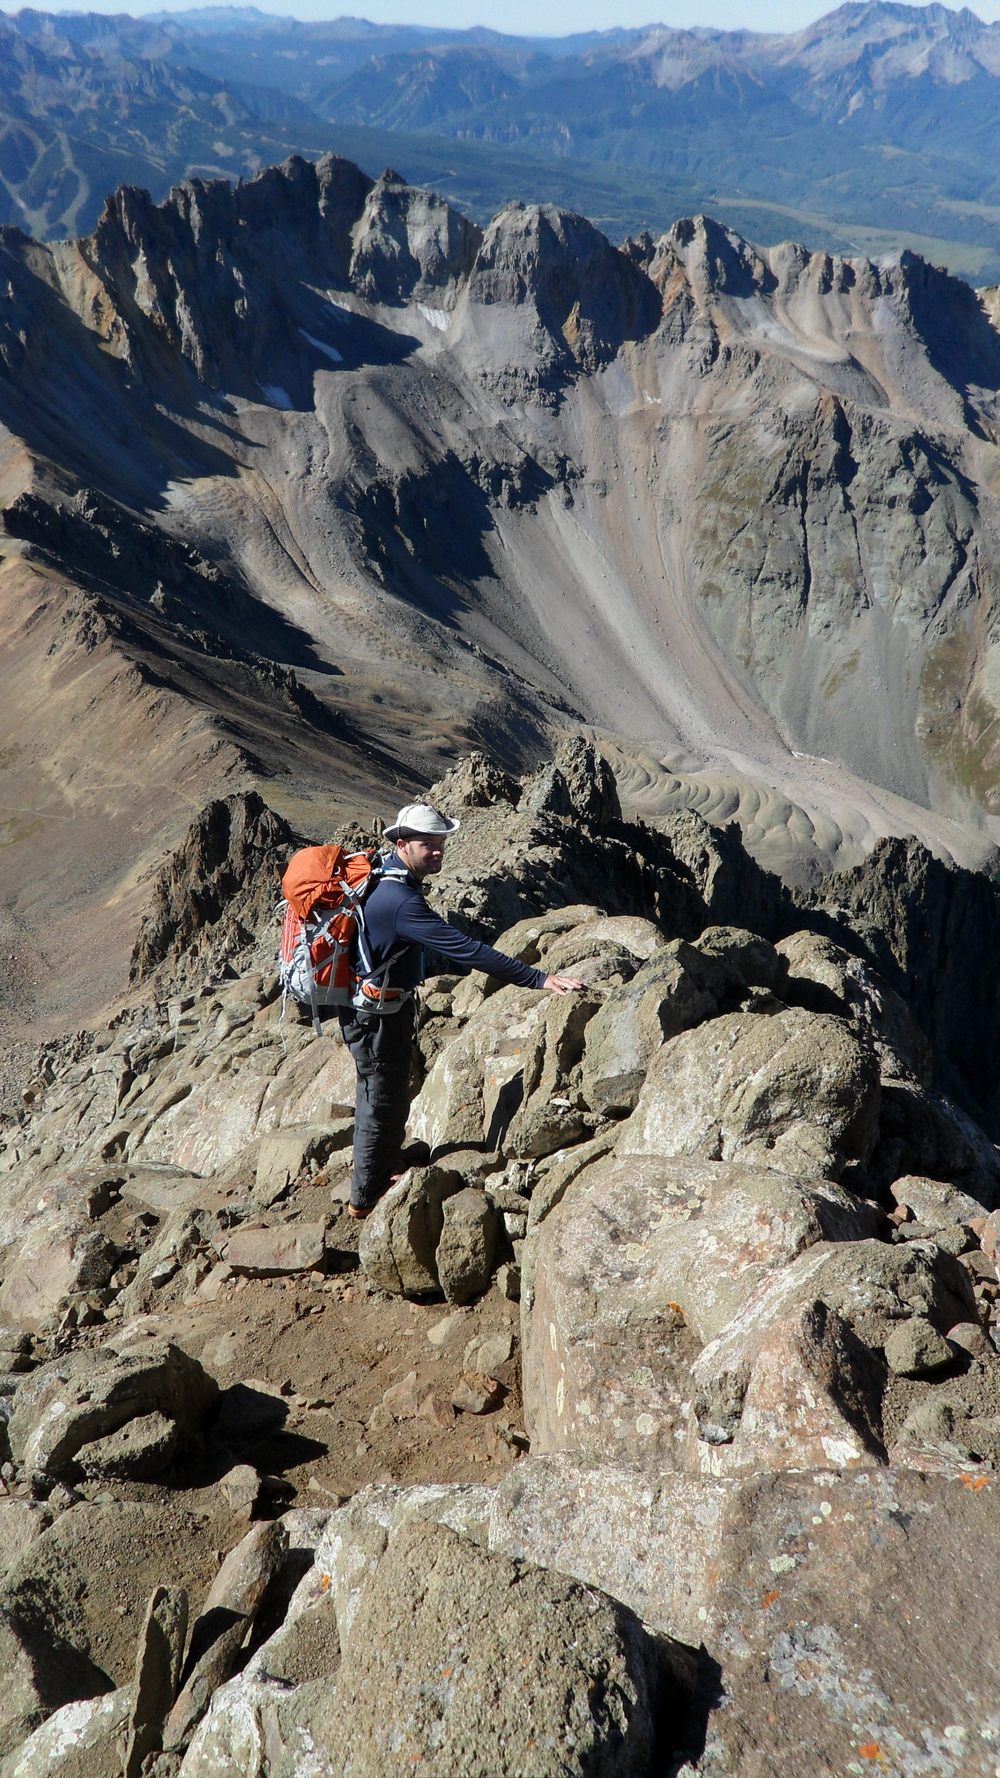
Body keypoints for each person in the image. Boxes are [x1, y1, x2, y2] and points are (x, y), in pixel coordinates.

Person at [340, 801, 585, 1219]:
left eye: (440, 842)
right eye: (427, 843)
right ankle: (364, 1201)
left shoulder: (384, 872)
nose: (437, 850)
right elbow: (466, 950)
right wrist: (539, 979)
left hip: (381, 1007)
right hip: (376, 1016)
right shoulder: (401, 900)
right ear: (401, 843)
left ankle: (380, 1171)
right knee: (379, 1099)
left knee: (391, 1094)